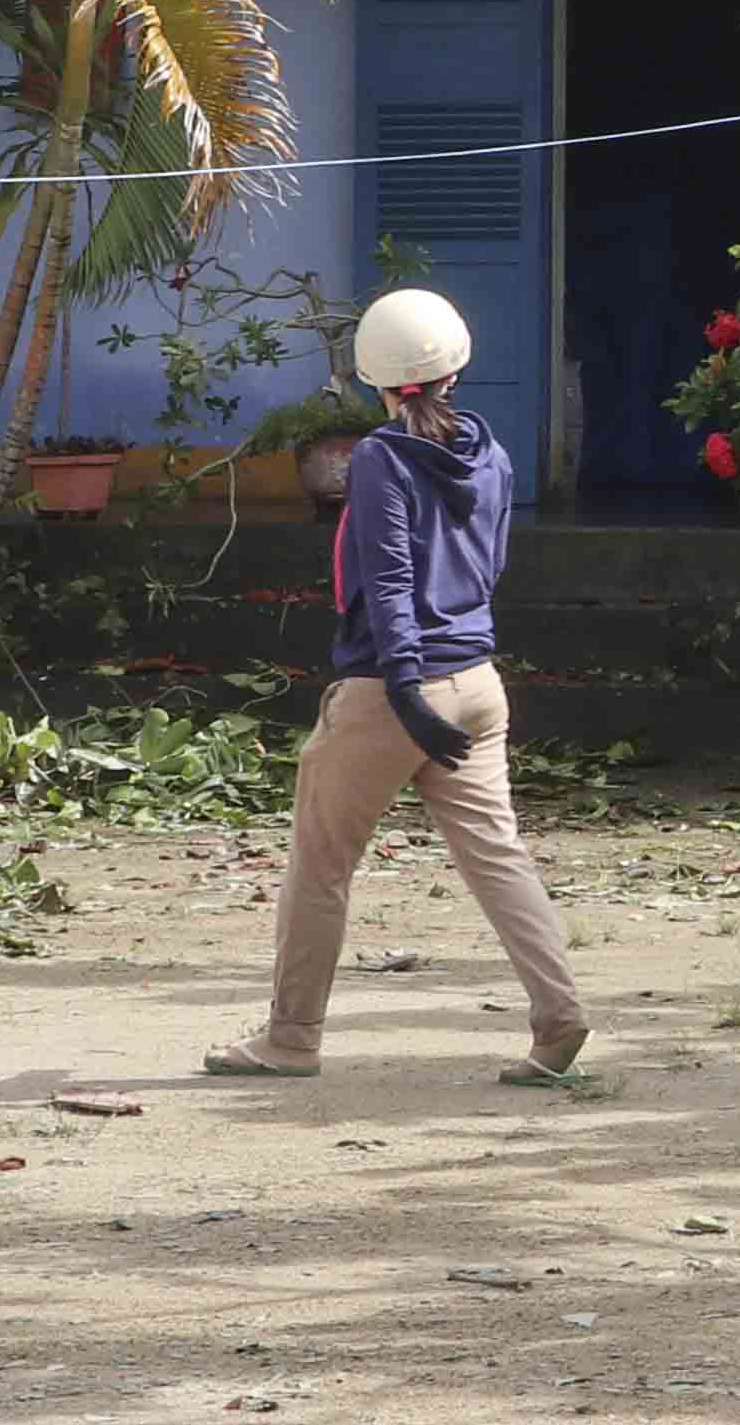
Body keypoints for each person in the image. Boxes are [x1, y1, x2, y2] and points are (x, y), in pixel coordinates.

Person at [207, 289, 588, 1086]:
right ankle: (558, 1020)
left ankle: (291, 1038)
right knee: (498, 858)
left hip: (392, 692)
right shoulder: (493, 452)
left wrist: (408, 691)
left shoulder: (380, 456)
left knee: (320, 867)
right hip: (478, 685)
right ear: (458, 366)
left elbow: (388, 583)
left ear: (372, 378)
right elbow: (487, 570)